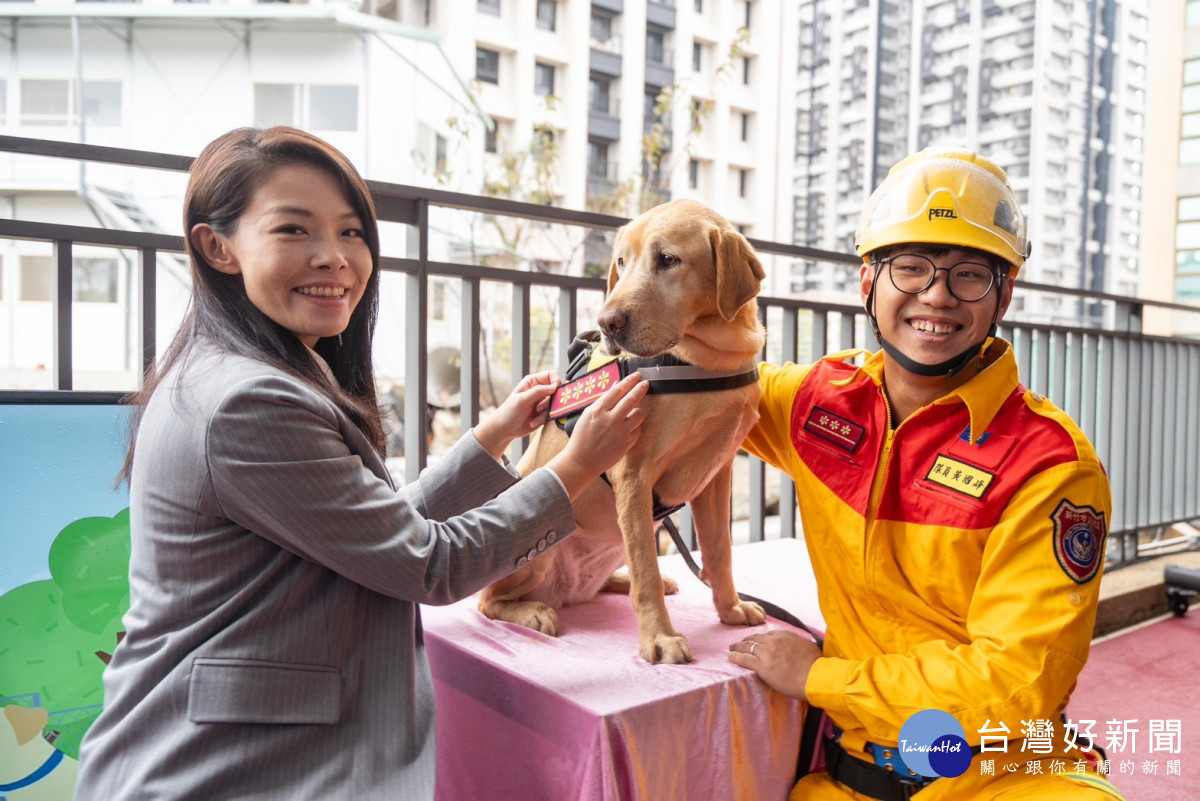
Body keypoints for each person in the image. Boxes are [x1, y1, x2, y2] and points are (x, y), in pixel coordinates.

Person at [74, 126, 649, 800]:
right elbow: (428, 564)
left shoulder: (244, 367)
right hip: (224, 766)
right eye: (294, 231)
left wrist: (488, 442)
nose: (336, 258)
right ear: (218, 247)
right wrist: (576, 465)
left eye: (352, 233)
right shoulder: (249, 402)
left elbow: (370, 532)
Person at [729, 148, 1123, 799]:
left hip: (1007, 776)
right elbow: (708, 386)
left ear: (1005, 295)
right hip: (851, 777)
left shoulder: (1051, 465)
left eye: (969, 274)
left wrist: (823, 679)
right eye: (910, 267)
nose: (936, 295)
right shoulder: (817, 402)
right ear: (867, 282)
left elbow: (1015, 684)